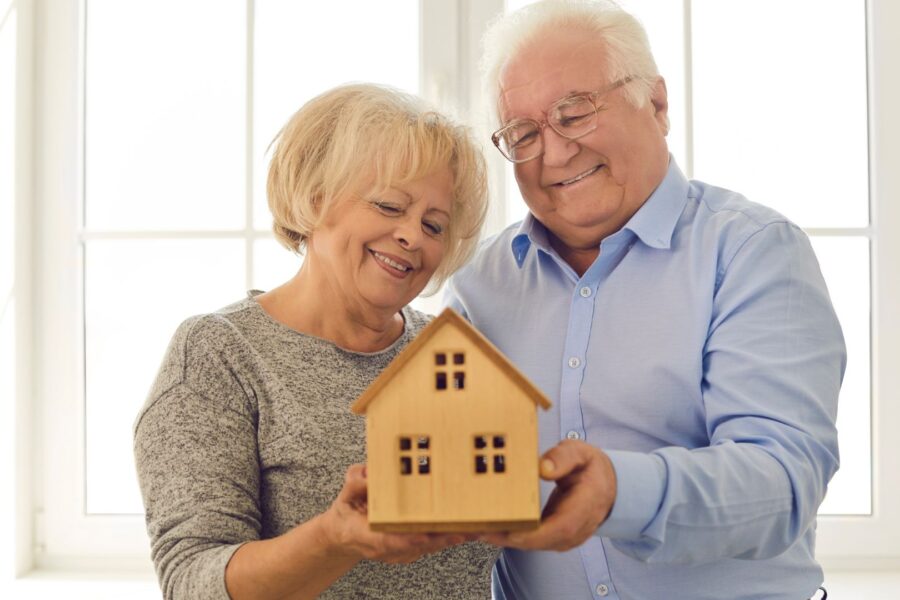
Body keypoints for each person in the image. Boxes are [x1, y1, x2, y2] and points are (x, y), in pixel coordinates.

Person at [445, 1, 845, 599]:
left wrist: (620, 492)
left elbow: (782, 478)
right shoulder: (478, 287)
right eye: (524, 134)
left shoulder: (750, 251)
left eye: (574, 113)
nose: (554, 154)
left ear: (655, 104)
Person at [134, 83, 498, 600]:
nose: (413, 237)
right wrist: (334, 538)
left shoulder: (451, 356)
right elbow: (193, 581)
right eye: (390, 205)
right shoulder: (221, 353)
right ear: (314, 196)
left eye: (434, 225)